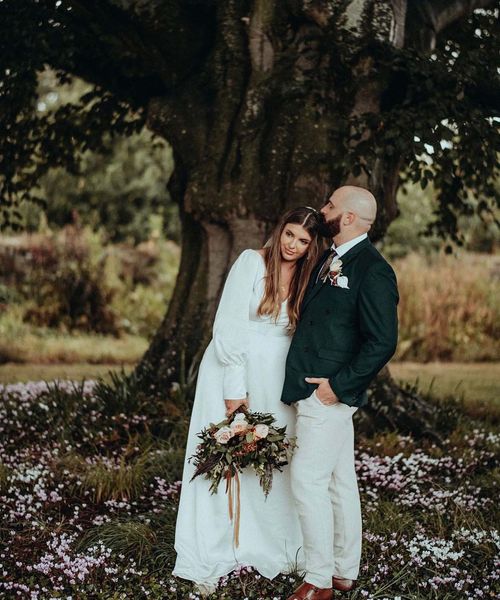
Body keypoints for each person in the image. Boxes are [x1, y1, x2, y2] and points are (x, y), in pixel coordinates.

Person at [173, 206, 323, 595]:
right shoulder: (251, 263)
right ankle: (219, 543)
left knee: (270, 457)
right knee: (226, 456)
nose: (293, 245)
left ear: (311, 246)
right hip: (233, 371)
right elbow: (229, 327)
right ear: (280, 230)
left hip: (278, 379)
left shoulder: (309, 276)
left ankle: (269, 543)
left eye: (303, 241)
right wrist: (234, 392)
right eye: (289, 234)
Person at [282, 186, 399, 600]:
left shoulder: (372, 268)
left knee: (307, 479)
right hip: (312, 386)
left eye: (330, 205)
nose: (324, 209)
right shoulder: (330, 258)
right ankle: (344, 571)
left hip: (328, 393)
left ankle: (318, 580)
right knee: (338, 482)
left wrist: (338, 387)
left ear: (348, 217)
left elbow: (382, 341)